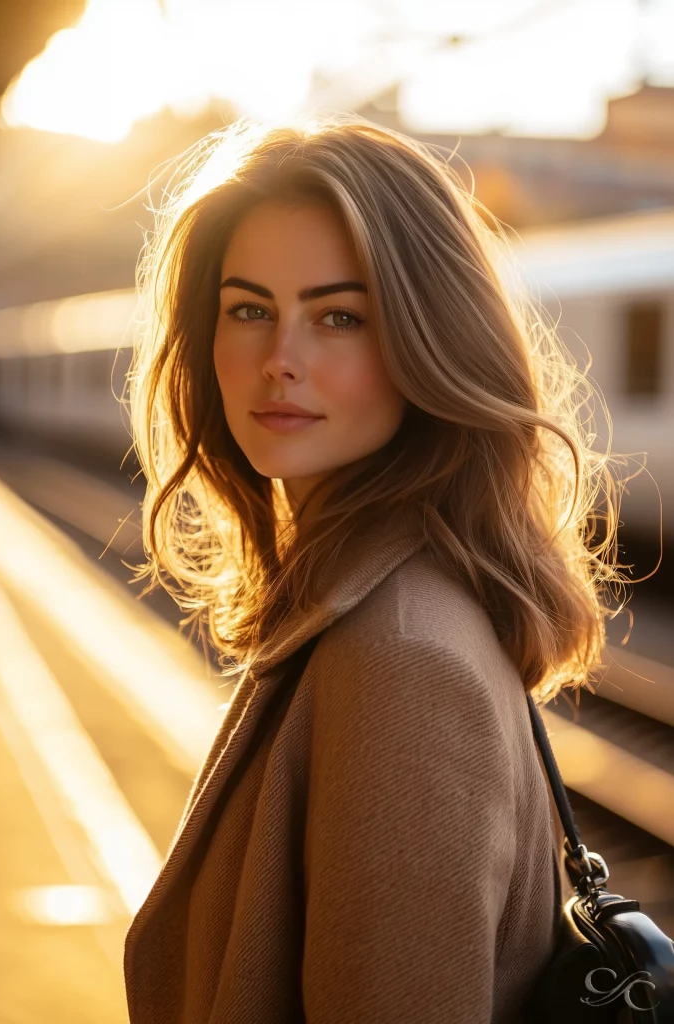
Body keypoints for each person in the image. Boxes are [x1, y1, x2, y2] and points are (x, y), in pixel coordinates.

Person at [123, 114, 625, 1023]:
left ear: (426, 344)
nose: (281, 361)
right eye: (248, 310)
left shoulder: (399, 661)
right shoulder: (373, 608)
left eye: (339, 317)